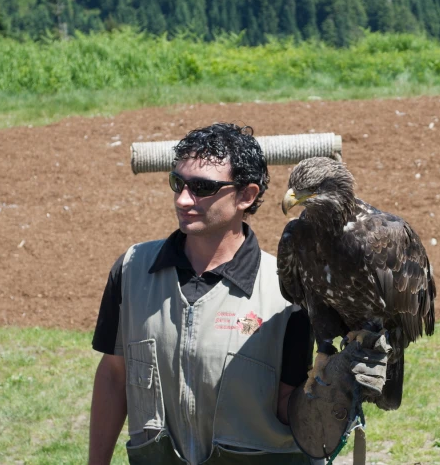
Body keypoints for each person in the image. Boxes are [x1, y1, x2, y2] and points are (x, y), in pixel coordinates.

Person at [88, 123, 389, 465]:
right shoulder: (132, 270)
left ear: (246, 195)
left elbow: (287, 403)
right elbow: (114, 375)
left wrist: (334, 392)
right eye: (178, 183)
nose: (183, 199)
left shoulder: (287, 292)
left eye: (202, 187)